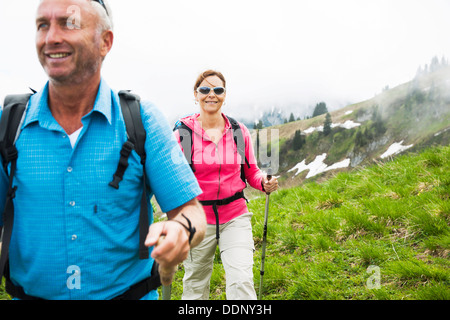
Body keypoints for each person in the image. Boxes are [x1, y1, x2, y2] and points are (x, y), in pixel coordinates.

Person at [0, 0, 205, 300]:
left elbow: (191, 211)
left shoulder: (141, 120)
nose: (51, 37)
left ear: (105, 42)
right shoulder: (9, 124)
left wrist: (181, 231)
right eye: (43, 25)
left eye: (69, 24)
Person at [174, 70, 278, 300]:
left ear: (224, 94)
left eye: (218, 90)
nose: (211, 94)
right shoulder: (182, 134)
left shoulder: (239, 131)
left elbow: (251, 172)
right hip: (198, 220)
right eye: (205, 89)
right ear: (196, 94)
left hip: (235, 216)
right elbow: (172, 179)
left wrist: (264, 182)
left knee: (241, 281)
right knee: (195, 287)